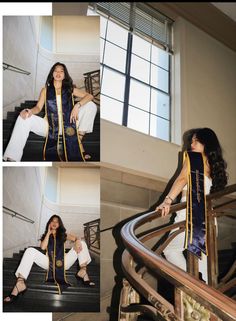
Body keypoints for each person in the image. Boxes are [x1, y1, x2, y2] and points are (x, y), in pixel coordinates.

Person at [156, 127, 228, 283]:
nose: (192, 144)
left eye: (196, 140)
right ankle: (205, 295)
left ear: (206, 143)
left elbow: (182, 180)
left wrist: (167, 200)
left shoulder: (194, 158)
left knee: (170, 250)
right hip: (207, 218)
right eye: (192, 140)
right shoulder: (211, 164)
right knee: (202, 266)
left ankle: (195, 285)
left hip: (190, 214)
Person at [3, 62, 97, 162]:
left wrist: (77, 105)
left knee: (91, 105)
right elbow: (38, 108)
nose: (58, 73)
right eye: (56, 70)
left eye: (61, 71)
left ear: (65, 75)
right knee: (24, 117)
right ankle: (12, 158)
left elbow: (90, 96)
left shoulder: (70, 89)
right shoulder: (45, 90)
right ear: (52, 73)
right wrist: (29, 110)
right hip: (49, 127)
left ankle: (78, 139)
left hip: (70, 125)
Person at [4, 214, 95, 304]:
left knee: (82, 243)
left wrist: (78, 241)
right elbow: (43, 247)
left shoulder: (63, 235)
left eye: (57, 221)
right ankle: (20, 283)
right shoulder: (45, 236)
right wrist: (48, 232)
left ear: (59, 224)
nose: (55, 223)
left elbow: (76, 238)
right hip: (48, 262)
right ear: (49, 223)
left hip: (64, 262)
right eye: (52, 221)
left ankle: (83, 271)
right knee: (30, 250)